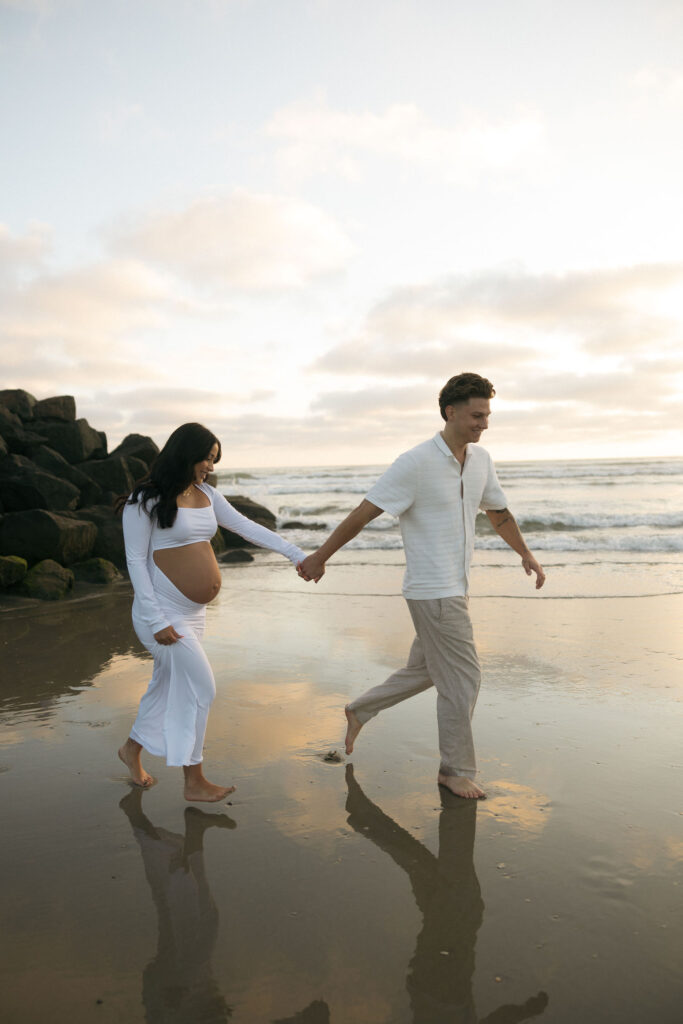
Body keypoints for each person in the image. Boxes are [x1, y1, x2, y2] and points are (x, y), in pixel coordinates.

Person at [298, 373, 545, 799]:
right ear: (450, 411)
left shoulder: (481, 460)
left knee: (428, 670)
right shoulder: (414, 463)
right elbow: (364, 512)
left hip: (456, 586)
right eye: (476, 414)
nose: (483, 423)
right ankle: (454, 770)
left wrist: (525, 552)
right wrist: (321, 556)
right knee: (463, 679)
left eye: (487, 415)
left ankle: (360, 709)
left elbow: (498, 512)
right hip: (433, 590)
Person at [117, 422, 306, 802]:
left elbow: (248, 527)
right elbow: (136, 562)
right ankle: (194, 780)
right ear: (186, 455)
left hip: (192, 613)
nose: (211, 467)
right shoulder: (145, 501)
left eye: (214, 460)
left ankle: (131, 751)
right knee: (202, 687)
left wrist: (297, 554)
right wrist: (157, 620)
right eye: (207, 459)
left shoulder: (205, 494)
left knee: (167, 685)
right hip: (161, 613)